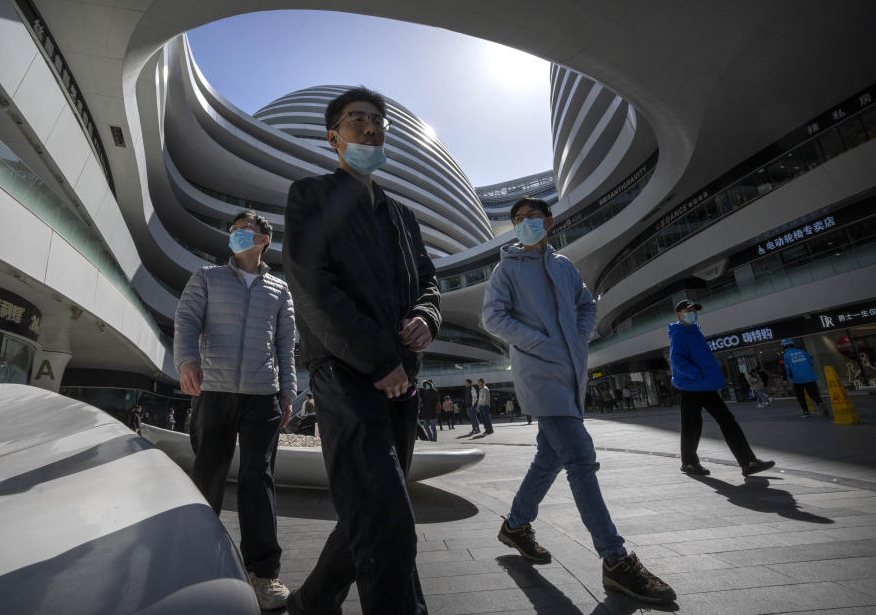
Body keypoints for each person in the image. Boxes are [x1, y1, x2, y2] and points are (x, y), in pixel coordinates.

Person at [282, 86, 440, 615]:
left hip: (402, 379)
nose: (372, 128)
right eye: (358, 120)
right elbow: (312, 285)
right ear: (334, 137)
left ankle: (312, 602)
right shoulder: (310, 195)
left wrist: (426, 317)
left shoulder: (402, 214)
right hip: (347, 375)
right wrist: (378, 360)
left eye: (379, 120)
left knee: (372, 513)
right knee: (389, 523)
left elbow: (428, 282)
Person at [482, 197, 676, 604]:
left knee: (549, 458)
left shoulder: (564, 266)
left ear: (548, 222)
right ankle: (615, 558)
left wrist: (578, 336)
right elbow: (493, 318)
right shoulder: (506, 269)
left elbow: (587, 306)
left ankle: (516, 525)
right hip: (539, 374)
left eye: (532, 218)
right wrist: (541, 342)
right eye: (517, 220)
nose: (524, 224)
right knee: (580, 458)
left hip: (571, 373)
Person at [174, 209, 296, 610]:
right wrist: (187, 361)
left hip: (263, 394)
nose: (236, 235)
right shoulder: (206, 278)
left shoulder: (279, 290)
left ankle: (263, 572)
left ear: (264, 239)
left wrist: (288, 391)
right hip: (215, 390)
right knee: (208, 470)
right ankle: (195, 560)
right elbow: (187, 320)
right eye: (233, 231)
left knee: (257, 478)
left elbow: (285, 346)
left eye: (245, 230)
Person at [669, 299, 775, 478]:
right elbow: (677, 360)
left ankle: (748, 462)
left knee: (727, 422)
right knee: (692, 426)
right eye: (688, 310)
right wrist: (696, 375)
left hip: (706, 386)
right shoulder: (679, 333)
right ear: (679, 314)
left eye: (694, 310)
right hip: (692, 387)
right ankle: (689, 463)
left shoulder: (695, 331)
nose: (692, 313)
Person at [781, 339, 830, 418]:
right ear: (793, 344)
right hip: (809, 376)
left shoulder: (786, 355)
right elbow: (811, 362)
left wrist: (786, 379)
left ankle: (806, 412)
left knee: (800, 396)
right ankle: (820, 403)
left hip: (797, 379)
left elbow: (787, 368)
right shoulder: (802, 352)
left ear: (784, 347)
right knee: (814, 394)